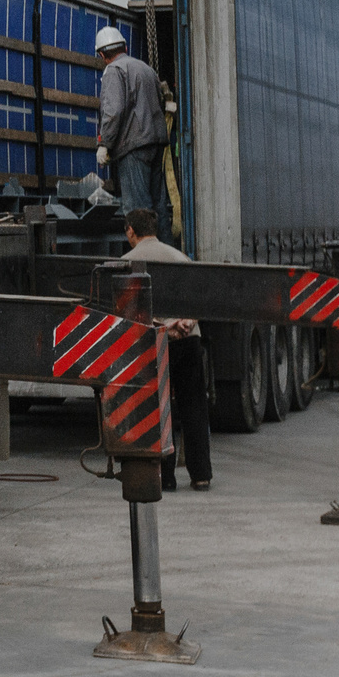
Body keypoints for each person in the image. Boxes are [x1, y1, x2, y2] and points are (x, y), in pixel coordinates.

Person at [122, 208, 211, 490]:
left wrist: (164, 326)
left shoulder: (125, 263)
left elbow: (127, 312)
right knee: (194, 406)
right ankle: (201, 475)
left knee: (159, 409)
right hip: (189, 339)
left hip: (156, 344)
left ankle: (166, 478)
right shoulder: (179, 257)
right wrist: (186, 322)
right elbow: (200, 296)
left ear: (131, 232)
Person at [95, 25, 169, 227]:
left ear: (102, 54)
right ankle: (167, 256)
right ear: (125, 48)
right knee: (158, 206)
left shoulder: (113, 70)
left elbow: (114, 111)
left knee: (138, 209)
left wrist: (105, 144)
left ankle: (146, 257)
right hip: (156, 143)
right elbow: (160, 104)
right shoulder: (146, 69)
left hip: (134, 147)